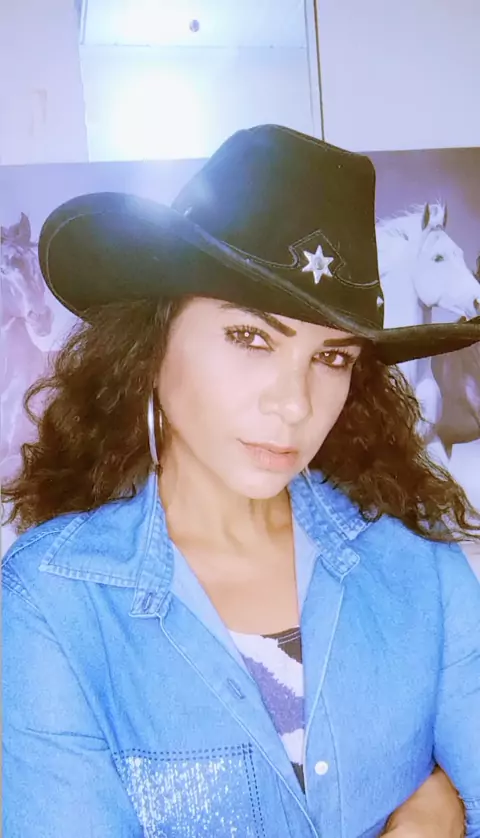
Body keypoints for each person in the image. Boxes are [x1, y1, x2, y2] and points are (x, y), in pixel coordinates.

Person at [3, 124, 480, 838]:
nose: (294, 404)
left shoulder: (420, 569)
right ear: (153, 341)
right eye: (251, 337)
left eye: (333, 358)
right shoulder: (55, 601)